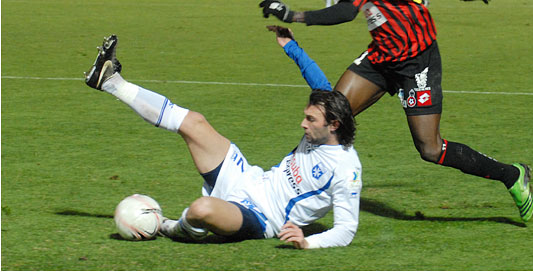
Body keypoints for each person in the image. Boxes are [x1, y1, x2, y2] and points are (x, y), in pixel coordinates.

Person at [259, 0, 533, 222]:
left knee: (430, 149)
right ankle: (281, 189)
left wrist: (294, 15)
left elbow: (347, 11)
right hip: (381, 55)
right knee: (327, 114)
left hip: (416, 58)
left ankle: (511, 175)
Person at [84, 33, 361, 249]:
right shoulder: (326, 117)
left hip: (261, 217)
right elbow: (319, 83)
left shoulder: (346, 170)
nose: (303, 124)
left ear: (334, 125)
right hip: (248, 179)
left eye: (310, 120)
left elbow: (346, 230)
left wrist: (308, 242)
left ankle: (167, 226)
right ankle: (110, 81)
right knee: (195, 122)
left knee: (200, 210)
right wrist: (291, 46)